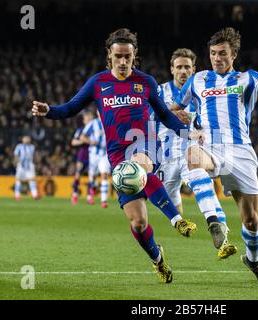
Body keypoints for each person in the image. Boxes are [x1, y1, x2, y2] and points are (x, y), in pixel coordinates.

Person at [32, 28, 196, 283]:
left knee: (141, 164)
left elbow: (164, 114)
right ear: (109, 55)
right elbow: (71, 108)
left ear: (134, 56)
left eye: (127, 57)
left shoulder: (146, 82)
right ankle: (157, 259)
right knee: (138, 223)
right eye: (118, 56)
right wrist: (48, 110)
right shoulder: (98, 83)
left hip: (145, 144)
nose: (122, 62)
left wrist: (188, 135)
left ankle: (177, 220)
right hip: (117, 157)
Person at [172, 28, 258, 283]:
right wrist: (180, 120)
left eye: (222, 54)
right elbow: (175, 108)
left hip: (240, 152)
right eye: (213, 53)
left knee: (251, 221)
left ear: (234, 55)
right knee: (192, 157)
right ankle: (215, 221)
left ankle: (254, 261)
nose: (217, 58)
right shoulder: (197, 80)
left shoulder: (247, 79)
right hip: (210, 146)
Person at [155, 48, 228, 231]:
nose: (183, 71)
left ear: (193, 69)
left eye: (187, 67)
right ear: (172, 69)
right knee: (170, 198)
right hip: (166, 157)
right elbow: (149, 117)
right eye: (179, 67)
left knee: (203, 187)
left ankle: (221, 228)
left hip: (192, 153)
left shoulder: (203, 93)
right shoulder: (159, 92)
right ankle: (181, 224)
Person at [81, 112, 111, 208]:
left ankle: (104, 200)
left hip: (105, 154)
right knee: (92, 176)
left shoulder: (110, 122)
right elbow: (82, 136)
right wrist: (91, 141)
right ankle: (90, 195)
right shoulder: (93, 123)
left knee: (104, 175)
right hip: (94, 154)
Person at [70, 112, 91, 205]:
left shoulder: (96, 129)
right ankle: (75, 194)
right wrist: (82, 141)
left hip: (93, 155)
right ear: (84, 121)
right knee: (78, 175)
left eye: (90, 119)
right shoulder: (80, 130)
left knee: (91, 176)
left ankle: (89, 197)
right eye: (87, 119)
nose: (89, 120)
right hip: (82, 155)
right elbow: (73, 142)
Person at [13, 135, 39, 200]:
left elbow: (35, 156)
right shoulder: (19, 146)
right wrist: (16, 163)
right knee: (19, 180)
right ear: (22, 140)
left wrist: (36, 163)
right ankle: (17, 195)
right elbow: (16, 155)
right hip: (21, 166)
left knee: (32, 180)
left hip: (30, 166)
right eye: (25, 138)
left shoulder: (32, 147)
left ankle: (35, 195)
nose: (27, 139)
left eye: (28, 138)